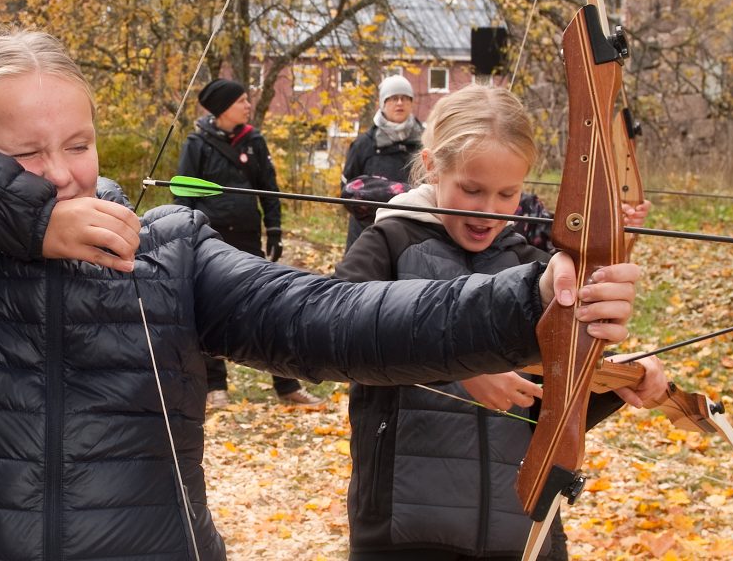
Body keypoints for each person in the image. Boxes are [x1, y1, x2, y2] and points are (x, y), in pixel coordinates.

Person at [0, 29, 646, 560]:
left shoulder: (168, 250)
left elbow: (330, 321)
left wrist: (529, 301)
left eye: (79, 143)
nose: (61, 172)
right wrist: (29, 221)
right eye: (23, 154)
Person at [334, 85, 667, 560]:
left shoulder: (534, 271)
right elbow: (339, 332)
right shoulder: (389, 245)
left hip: (522, 533)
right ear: (432, 166)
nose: (488, 210)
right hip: (403, 531)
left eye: (507, 193)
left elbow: (550, 409)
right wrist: (461, 365)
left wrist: (620, 382)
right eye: (471, 190)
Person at [174, 78, 319, 406]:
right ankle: (215, 387)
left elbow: (269, 189)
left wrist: (276, 229)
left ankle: (287, 387)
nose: (247, 105)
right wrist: (186, 236)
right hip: (210, 239)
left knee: (265, 306)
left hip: (248, 238)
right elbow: (182, 194)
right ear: (224, 108)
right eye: (240, 101)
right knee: (208, 308)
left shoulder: (254, 140)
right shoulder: (197, 143)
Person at [341, 74, 425, 249]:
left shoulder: (426, 143)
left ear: (411, 103)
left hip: (415, 234)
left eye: (405, 98)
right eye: (393, 98)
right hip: (367, 235)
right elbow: (347, 190)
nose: (400, 103)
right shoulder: (363, 144)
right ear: (383, 103)